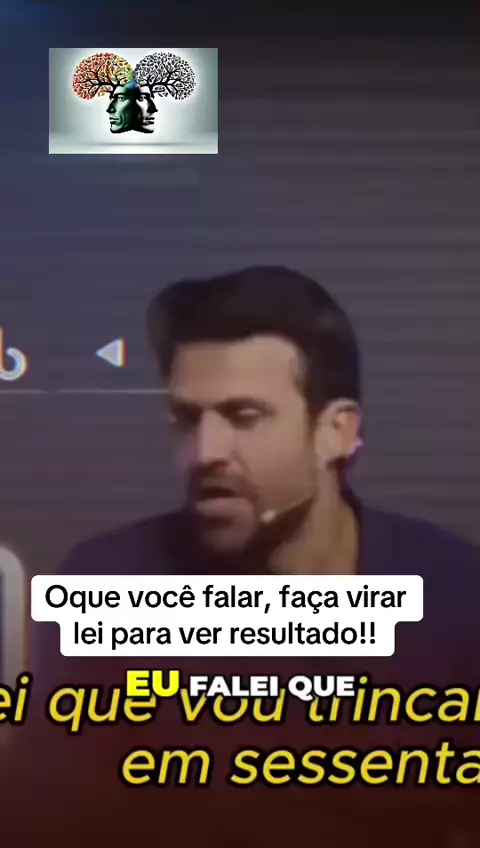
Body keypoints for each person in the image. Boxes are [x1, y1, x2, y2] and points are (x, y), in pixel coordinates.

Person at [14, 267, 480, 845]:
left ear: (336, 432)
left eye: (245, 417)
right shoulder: (107, 583)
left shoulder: (458, 598)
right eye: (188, 419)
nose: (205, 452)